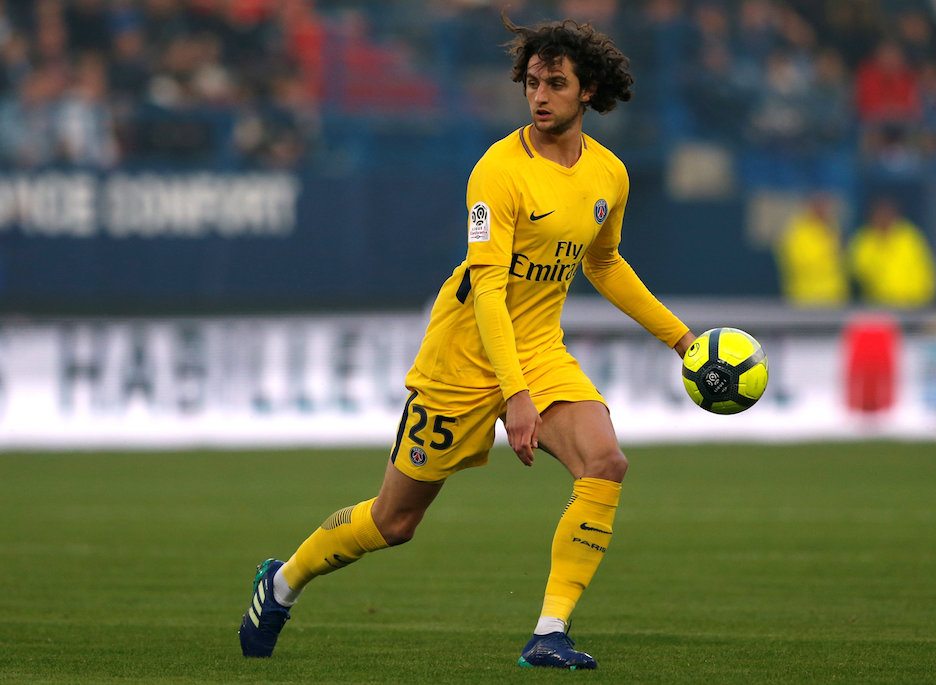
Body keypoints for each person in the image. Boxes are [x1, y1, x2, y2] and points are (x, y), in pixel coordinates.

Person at [238, 13, 695, 670]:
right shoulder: (498, 172)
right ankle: (281, 582)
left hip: (536, 346)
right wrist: (516, 397)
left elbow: (603, 262)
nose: (540, 96)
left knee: (605, 462)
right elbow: (488, 289)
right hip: (464, 354)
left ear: (587, 91)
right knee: (395, 521)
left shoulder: (609, 175)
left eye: (555, 83)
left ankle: (549, 631)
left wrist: (681, 339)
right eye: (532, 82)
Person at [848, 196, 936, 308]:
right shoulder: (864, 238)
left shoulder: (908, 235)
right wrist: (881, 244)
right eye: (880, 214)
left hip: (913, 303)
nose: (884, 218)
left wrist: (924, 296)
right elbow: (860, 270)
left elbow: (925, 268)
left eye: (888, 213)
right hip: (878, 304)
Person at [776, 191, 849, 307]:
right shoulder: (796, 232)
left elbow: (840, 262)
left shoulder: (832, 228)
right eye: (819, 205)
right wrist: (827, 249)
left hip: (835, 298)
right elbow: (799, 263)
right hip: (805, 299)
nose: (824, 209)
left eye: (825, 205)